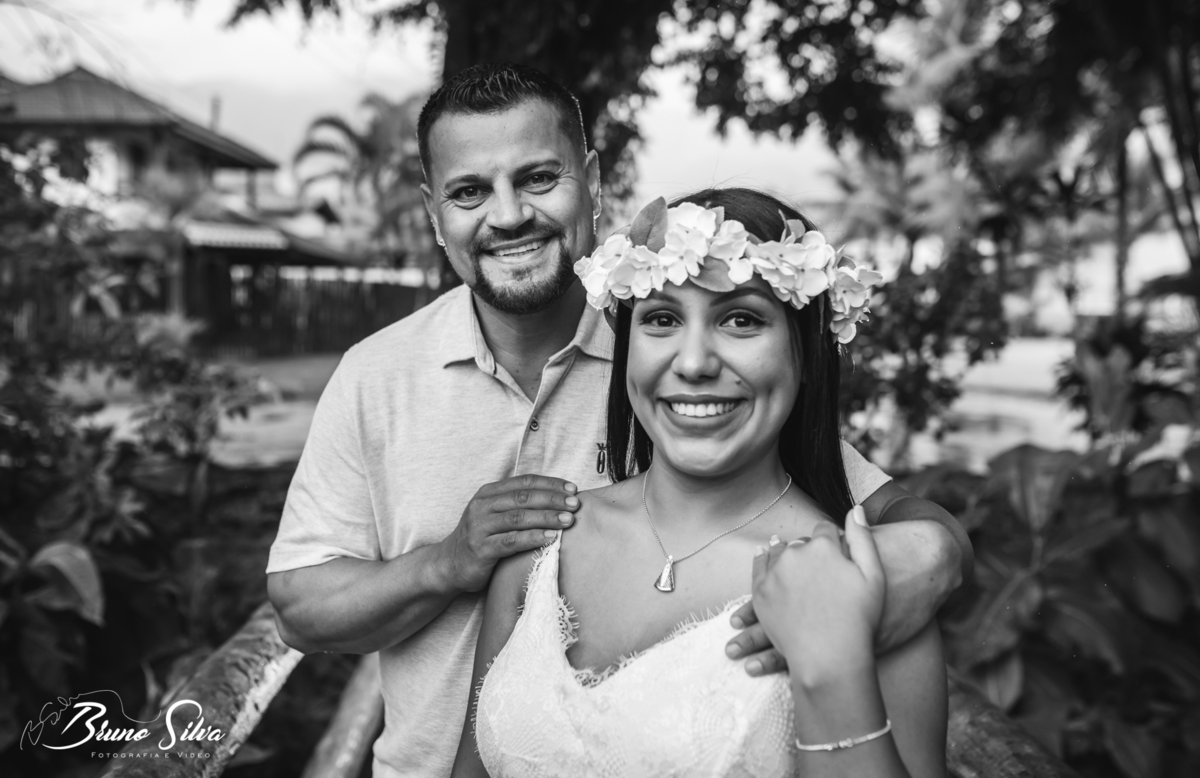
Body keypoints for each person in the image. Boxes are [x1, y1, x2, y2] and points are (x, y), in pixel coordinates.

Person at [266, 63, 968, 778]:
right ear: (433, 211)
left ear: (593, 183)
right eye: (469, 191)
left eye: (539, 178)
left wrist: (931, 553)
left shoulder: (675, 356)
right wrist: (446, 564)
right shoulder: (375, 375)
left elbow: (852, 496)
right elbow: (298, 605)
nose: (508, 216)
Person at [453, 189, 946, 777]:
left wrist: (833, 666)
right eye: (662, 319)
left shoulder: (868, 583)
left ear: (807, 355)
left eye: (741, 320)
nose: (693, 363)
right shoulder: (540, 547)